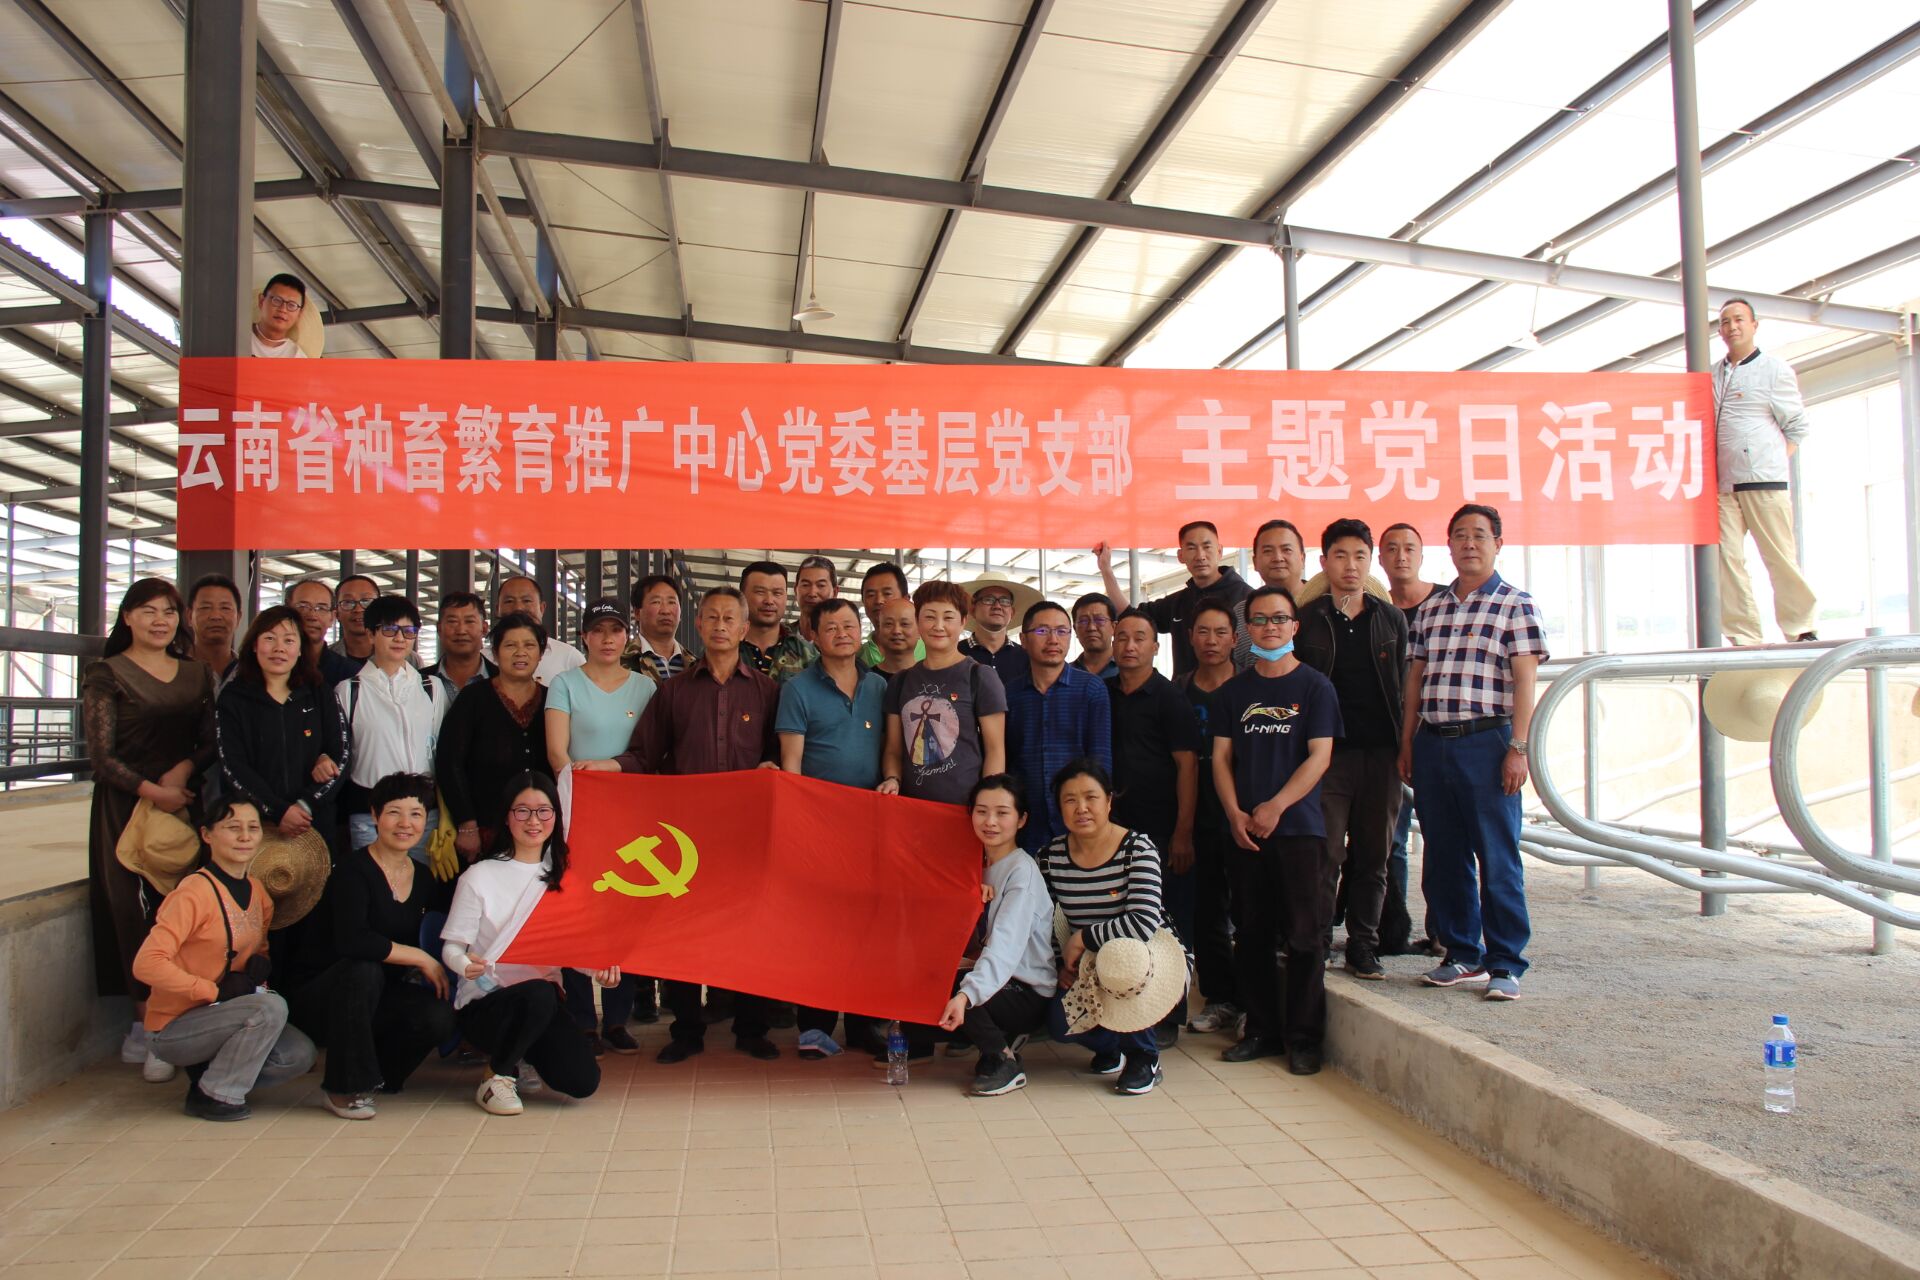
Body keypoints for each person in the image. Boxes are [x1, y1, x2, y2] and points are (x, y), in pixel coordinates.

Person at [616, 587, 782, 1063]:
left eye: (730, 618)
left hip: (747, 832)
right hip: (687, 833)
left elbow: (780, 754)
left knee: (750, 929)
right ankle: (686, 1029)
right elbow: (645, 754)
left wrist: (770, 766)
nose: (721, 625)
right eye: (712, 617)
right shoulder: (674, 691)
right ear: (700, 625)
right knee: (683, 929)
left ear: (744, 629)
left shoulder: (767, 691)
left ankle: (751, 1027)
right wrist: (601, 769)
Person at [1399, 504, 1548, 1002]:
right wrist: (1407, 742)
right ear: (1449, 545)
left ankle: (1505, 962)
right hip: (1433, 742)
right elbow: (1415, 680)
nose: (1469, 543)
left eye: (1480, 535)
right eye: (1460, 535)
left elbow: (1525, 682)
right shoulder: (1432, 609)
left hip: (1488, 742)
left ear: (1498, 544)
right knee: (1444, 855)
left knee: (1497, 856)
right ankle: (1462, 953)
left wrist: (1518, 749)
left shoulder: (1516, 604)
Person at [84, 577, 217, 1084]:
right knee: (130, 912)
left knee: (183, 910)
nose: (160, 621)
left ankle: (182, 1020)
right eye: (147, 611)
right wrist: (151, 790)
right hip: (125, 809)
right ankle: (146, 1025)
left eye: (168, 611)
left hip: (184, 806)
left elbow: (211, 741)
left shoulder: (196, 674)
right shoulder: (107, 673)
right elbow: (101, 756)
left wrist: (182, 771)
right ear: (127, 617)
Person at [1212, 584, 1341, 1075]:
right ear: (1248, 630)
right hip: (1245, 833)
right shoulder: (1234, 693)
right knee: (1252, 934)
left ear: (1294, 626)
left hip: (1299, 830)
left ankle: (1304, 1039)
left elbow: (1320, 756)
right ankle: (1262, 1031)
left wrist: (1277, 806)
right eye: (1260, 620)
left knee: (1305, 937)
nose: (1270, 627)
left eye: (1279, 619)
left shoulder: (1315, 688)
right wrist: (1235, 814)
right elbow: (1221, 759)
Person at [878, 579, 1007, 1063]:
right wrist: (893, 779)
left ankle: (968, 1027)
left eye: (948, 617)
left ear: (963, 623)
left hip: (963, 823)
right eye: (929, 616)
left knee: (966, 924)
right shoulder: (901, 683)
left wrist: (988, 819)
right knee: (916, 926)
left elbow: (995, 752)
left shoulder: (979, 677)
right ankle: (919, 1031)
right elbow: (894, 750)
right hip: (915, 825)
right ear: (916, 623)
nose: (938, 626)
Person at [134, 794, 319, 1120]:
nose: (245, 837)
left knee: (298, 1055)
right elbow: (146, 963)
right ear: (207, 835)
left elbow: (258, 951)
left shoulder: (258, 893)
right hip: (174, 1027)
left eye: (252, 828)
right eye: (233, 828)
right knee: (269, 1008)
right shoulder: (193, 892)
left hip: (225, 1016)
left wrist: (258, 967)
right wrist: (212, 990)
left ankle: (210, 1078)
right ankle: (215, 1095)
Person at [284, 773, 457, 1120]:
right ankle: (342, 1088)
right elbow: (353, 940)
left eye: (416, 814)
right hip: (324, 996)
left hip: (375, 998)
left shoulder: (423, 877)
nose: (405, 824)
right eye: (394, 812)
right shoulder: (352, 870)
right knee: (363, 969)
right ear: (375, 815)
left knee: (437, 1015)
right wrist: (419, 957)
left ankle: (380, 1077)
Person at [442, 772, 608, 1115]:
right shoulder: (479, 876)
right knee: (539, 992)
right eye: (523, 811)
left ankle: (523, 1054)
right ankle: (496, 1077)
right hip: (488, 1005)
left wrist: (600, 971)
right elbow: (452, 948)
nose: (534, 821)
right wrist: (464, 965)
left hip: (543, 1007)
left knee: (582, 1081)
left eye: (543, 811)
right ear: (507, 817)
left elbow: (572, 951)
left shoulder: (566, 879)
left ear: (556, 817)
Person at [1294, 520, 1408, 982]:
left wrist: (1405, 747)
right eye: (1340, 556)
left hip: (1381, 755)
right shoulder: (1308, 620)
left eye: (1360, 556)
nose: (1351, 565)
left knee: (1374, 855)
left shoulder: (1390, 619)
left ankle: (1363, 943)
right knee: (1325, 853)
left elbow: (1404, 687)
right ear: (1324, 562)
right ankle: (1319, 940)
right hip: (1328, 756)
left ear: (1370, 561)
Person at [776, 597, 888, 1058]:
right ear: (814, 636)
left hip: (872, 828)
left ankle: (862, 1025)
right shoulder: (797, 689)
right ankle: (815, 1026)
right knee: (818, 929)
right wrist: (799, 827)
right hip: (819, 828)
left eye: (849, 625)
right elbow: (791, 764)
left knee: (866, 927)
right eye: (832, 627)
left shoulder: (880, 686)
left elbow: (891, 751)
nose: (843, 634)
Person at [546, 599, 658, 1052]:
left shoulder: (645, 687)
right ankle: (581, 1018)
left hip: (630, 817)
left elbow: (650, 752)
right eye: (598, 631)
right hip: (579, 813)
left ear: (626, 636)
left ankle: (616, 1018)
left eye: (615, 630)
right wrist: (578, 793)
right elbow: (558, 752)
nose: (607, 639)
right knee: (578, 910)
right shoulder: (564, 683)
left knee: (623, 912)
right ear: (585, 637)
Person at [1038, 759, 1169, 1096]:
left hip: (1146, 958)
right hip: (1086, 962)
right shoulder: (1050, 857)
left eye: (1091, 797)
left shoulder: (1138, 849)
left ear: (1109, 800)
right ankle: (1113, 1046)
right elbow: (1045, 920)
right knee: (1059, 1023)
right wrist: (1062, 963)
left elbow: (1143, 922)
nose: (1081, 808)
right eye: (1070, 800)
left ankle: (1143, 1056)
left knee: (1122, 965)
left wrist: (1082, 938)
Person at [1106, 607, 1203, 1042]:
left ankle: (1168, 1016)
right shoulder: (1104, 693)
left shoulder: (1169, 698)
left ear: (1154, 646)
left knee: (1170, 921)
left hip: (1162, 828)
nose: (1129, 646)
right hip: (1114, 831)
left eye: (1139, 638)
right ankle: (1124, 1010)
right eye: (1122, 637)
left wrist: (1183, 832)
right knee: (1123, 918)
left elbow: (1188, 767)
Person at [937, 774, 1056, 1096]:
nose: (990, 822)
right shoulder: (974, 864)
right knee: (932, 978)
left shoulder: (1022, 872)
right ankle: (991, 1039)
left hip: (1027, 988)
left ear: (1022, 820)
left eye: (1002, 813)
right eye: (981, 811)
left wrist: (965, 996)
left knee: (957, 988)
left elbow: (1005, 945)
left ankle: (1004, 1059)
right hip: (992, 975)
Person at [1714, 298, 1818, 645]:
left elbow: (1797, 428)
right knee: (1727, 561)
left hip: (1764, 481)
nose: (1732, 327)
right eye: (1725, 321)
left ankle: (1800, 627)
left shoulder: (1774, 370)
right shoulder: (1712, 374)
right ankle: (1744, 637)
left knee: (1778, 556)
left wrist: (1769, 460)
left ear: (1754, 325)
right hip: (1723, 486)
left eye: (1739, 319)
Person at [216, 605, 349, 846]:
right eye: (269, 638)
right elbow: (232, 765)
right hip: (253, 823)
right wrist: (279, 810)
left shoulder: (319, 692)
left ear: (300, 649)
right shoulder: (233, 698)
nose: (279, 648)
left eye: (289, 640)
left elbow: (342, 755)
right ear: (254, 645)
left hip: (312, 821)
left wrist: (305, 804)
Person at [1173, 600, 1242, 1034]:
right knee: (1208, 910)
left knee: (1251, 909)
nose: (1211, 641)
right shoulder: (1179, 691)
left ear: (1234, 639)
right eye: (1203, 632)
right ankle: (1220, 999)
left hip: (1244, 815)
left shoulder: (1251, 687)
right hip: (1198, 816)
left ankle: (1252, 1001)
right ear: (1190, 638)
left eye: (1220, 632)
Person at [336, 595, 448, 858]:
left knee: (419, 879)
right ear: (370, 633)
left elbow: (442, 751)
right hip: (369, 815)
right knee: (373, 878)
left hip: (423, 813)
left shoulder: (430, 687)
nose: (400, 638)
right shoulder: (349, 690)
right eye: (389, 629)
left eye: (409, 631)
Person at [437, 612, 551, 864]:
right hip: (484, 830)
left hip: (539, 831)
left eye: (529, 645)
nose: (520, 653)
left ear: (540, 653)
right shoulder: (473, 699)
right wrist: (467, 824)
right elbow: (449, 762)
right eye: (510, 645)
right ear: (495, 653)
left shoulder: (553, 700)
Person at [1003, 601, 1111, 853]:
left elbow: (1101, 761)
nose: (1053, 639)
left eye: (1062, 631)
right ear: (1023, 640)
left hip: (1079, 819)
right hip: (1027, 821)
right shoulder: (1010, 694)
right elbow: (1007, 759)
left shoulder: (1091, 689)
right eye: (1042, 631)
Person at [1379, 522, 1440, 956]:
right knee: (1393, 841)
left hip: (1437, 737)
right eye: (1391, 548)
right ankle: (1392, 932)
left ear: (1422, 554)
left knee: (1442, 838)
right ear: (1380, 558)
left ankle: (1443, 931)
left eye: (1409, 548)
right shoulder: (1377, 609)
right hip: (1389, 740)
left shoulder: (1445, 603)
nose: (1401, 556)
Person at [1094, 521, 1251, 676]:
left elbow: (1260, 652)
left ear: (1220, 551)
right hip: (1184, 691)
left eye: (1207, 547)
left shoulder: (1247, 599)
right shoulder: (1179, 601)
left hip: (1236, 690)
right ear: (1180, 556)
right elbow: (1130, 616)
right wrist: (1106, 569)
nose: (1200, 556)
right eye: (1191, 548)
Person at [490, 575, 584, 685]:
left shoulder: (569, 658)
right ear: (497, 609)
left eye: (526, 600)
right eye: (509, 601)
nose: (518, 608)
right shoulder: (483, 659)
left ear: (542, 608)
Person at [738, 560, 818, 683]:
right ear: (742, 596)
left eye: (777, 593)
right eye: (760, 592)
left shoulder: (807, 654)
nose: (769, 601)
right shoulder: (724, 647)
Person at [958, 577, 1033, 683]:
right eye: (988, 599)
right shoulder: (956, 653)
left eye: (1004, 601)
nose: (997, 606)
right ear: (973, 610)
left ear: (1012, 613)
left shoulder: (1027, 658)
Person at [287, 578, 359, 686]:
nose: (312, 616)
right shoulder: (271, 666)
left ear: (332, 617)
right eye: (303, 607)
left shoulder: (351, 674)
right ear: (287, 611)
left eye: (321, 608)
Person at [422, 591, 495, 690]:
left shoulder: (504, 679)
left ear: (484, 628)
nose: (461, 630)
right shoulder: (417, 681)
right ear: (439, 629)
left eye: (469, 621)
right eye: (452, 622)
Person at [623, 573, 689, 683]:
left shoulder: (694, 665)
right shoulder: (620, 663)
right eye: (656, 602)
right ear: (637, 613)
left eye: (671, 602)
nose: (665, 611)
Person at [858, 562, 924, 668]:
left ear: (906, 599)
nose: (879, 600)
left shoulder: (930, 652)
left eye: (887, 593)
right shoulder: (858, 657)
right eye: (871, 595)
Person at [187, 573, 243, 683]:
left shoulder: (250, 673)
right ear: (189, 616)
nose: (216, 616)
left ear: (238, 617)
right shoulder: (172, 669)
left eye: (225, 608)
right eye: (205, 607)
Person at [327, 575, 381, 674]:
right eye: (348, 602)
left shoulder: (405, 657)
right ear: (337, 613)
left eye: (366, 601)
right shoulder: (324, 660)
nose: (358, 609)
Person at [250, 273, 310, 359]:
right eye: (277, 300)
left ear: (299, 313)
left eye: (291, 305)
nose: (283, 309)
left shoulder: (297, 357)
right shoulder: (235, 336)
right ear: (261, 301)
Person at [869, 596, 921, 676]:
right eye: (889, 624)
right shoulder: (867, 680)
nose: (896, 631)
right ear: (879, 630)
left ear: (919, 630)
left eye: (904, 624)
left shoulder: (930, 679)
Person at [794, 555, 839, 645]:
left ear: (834, 592)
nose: (812, 593)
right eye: (805, 585)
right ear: (795, 590)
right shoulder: (779, 638)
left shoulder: (842, 642)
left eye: (821, 585)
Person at [1070, 592, 1118, 678]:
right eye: (1083, 621)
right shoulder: (1066, 674)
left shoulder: (1128, 669)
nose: (1091, 628)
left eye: (1099, 620)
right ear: (1075, 629)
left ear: (1114, 627)